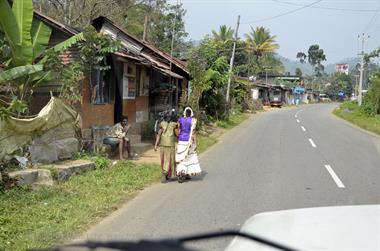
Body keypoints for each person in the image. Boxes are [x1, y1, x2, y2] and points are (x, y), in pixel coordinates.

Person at [175, 106, 202, 183]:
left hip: (181, 140)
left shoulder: (180, 119)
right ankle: (186, 173)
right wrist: (195, 143)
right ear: (191, 113)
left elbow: (178, 129)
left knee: (181, 157)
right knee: (189, 157)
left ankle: (181, 173)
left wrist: (178, 137)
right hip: (188, 141)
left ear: (184, 113)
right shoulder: (193, 120)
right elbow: (193, 133)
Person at [154, 112, 178, 183]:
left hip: (162, 144)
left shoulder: (161, 124)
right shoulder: (174, 124)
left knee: (164, 159)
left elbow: (158, 135)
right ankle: (171, 175)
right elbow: (177, 134)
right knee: (171, 159)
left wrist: (156, 145)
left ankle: (165, 174)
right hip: (170, 144)